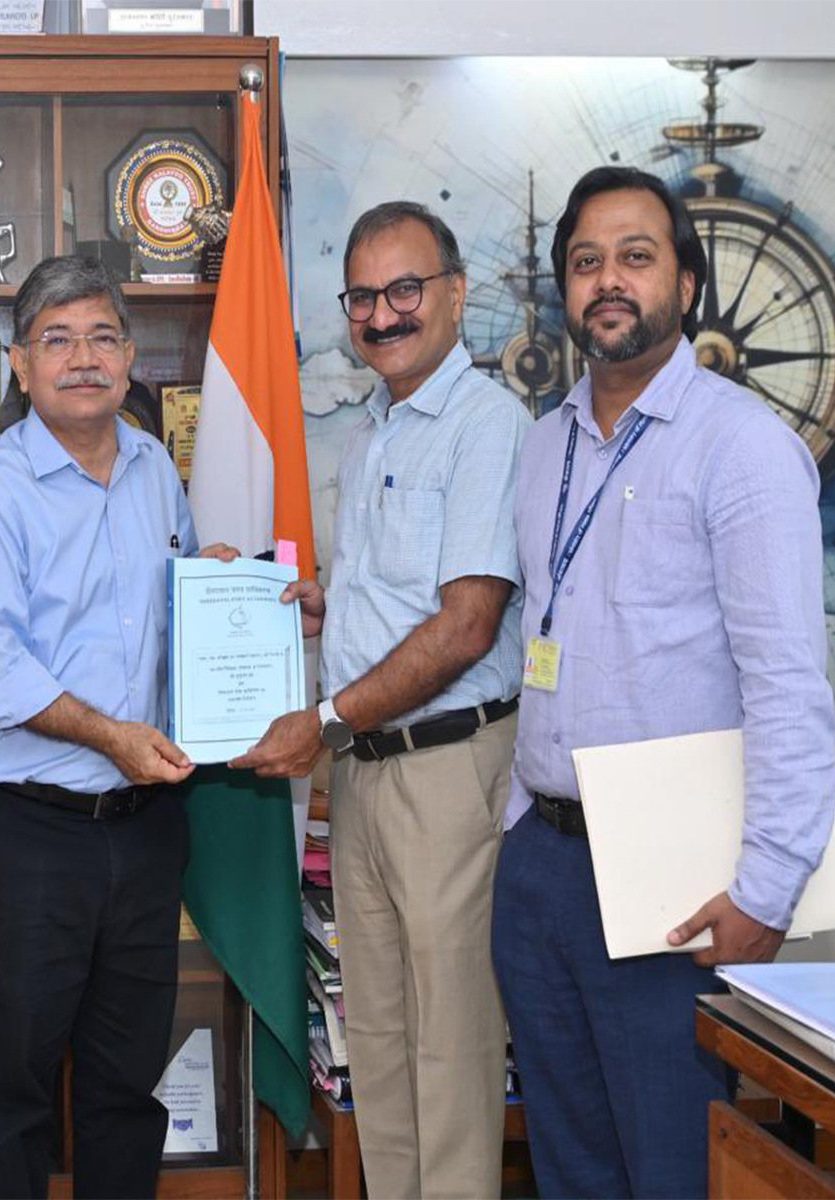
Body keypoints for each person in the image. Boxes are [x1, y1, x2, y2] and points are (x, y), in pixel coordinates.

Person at [493, 165, 835, 1199]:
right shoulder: (545, 445)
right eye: (586, 261)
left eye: (635, 257)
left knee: (676, 1172)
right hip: (542, 866)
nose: (609, 280)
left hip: (679, 888)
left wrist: (766, 886)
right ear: (562, 291)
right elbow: (536, 632)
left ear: (684, 283)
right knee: (569, 1167)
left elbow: (786, 683)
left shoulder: (743, 450)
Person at [235, 201, 530, 1198]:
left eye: (404, 289)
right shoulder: (370, 428)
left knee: (449, 1048)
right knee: (381, 1045)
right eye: (361, 296)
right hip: (363, 777)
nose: (382, 313)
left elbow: (464, 626)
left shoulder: (487, 426)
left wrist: (319, 721)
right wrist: (316, 604)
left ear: (455, 294)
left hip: (447, 772)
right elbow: (398, 596)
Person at [0, 255, 233, 1199]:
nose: (83, 359)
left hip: (143, 836)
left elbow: (163, 619)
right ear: (20, 365)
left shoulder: (153, 468)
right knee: (15, 1096)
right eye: (56, 341)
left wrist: (230, 590)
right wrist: (113, 737)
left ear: (131, 355)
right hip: (29, 838)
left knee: (124, 1089)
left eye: (102, 337)